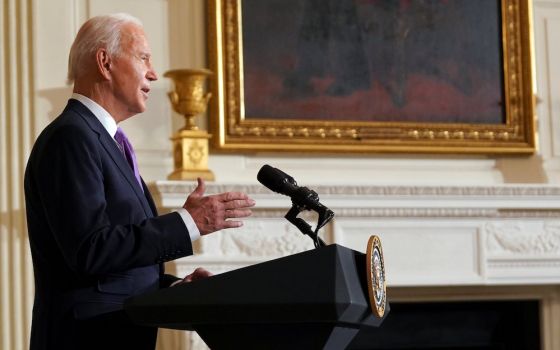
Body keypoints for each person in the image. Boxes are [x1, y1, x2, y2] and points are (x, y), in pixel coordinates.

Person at [24, 13, 255, 350]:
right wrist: (188, 222)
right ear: (105, 62)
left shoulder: (105, 141)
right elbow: (90, 251)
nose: (153, 73)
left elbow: (115, 272)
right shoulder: (71, 137)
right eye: (144, 57)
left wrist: (176, 291)